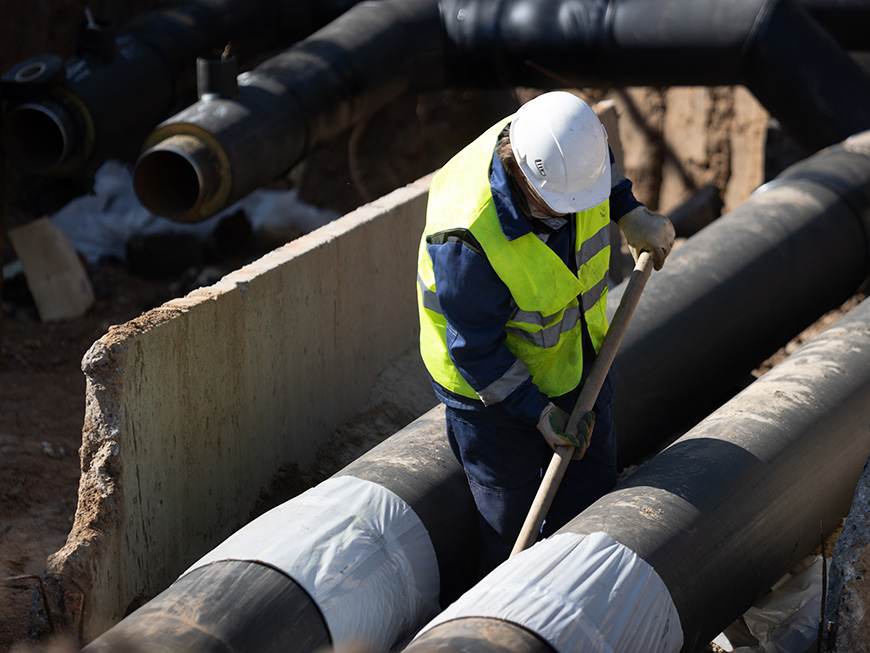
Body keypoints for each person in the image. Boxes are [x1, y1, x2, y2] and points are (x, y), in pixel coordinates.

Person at [416, 91, 675, 575]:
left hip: (580, 363)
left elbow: (598, 174)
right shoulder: (468, 239)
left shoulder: (570, 143)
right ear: (521, 174)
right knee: (510, 526)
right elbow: (477, 352)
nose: (570, 215)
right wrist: (538, 414)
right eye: (557, 206)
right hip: (490, 397)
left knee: (593, 503)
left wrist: (629, 212)